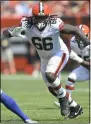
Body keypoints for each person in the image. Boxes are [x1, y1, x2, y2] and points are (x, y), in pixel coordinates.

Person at [3, 2, 89, 118]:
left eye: (43, 17)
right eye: (38, 17)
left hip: (59, 53)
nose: (40, 20)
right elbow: (6, 32)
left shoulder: (54, 24)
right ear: (33, 17)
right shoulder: (26, 24)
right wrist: (11, 32)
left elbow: (75, 30)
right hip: (44, 57)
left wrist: (87, 42)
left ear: (48, 16)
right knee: (52, 89)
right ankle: (75, 107)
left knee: (50, 75)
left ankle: (63, 98)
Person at [54, 24, 90, 118]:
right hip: (86, 68)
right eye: (77, 35)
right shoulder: (73, 41)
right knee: (71, 77)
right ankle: (67, 101)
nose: (80, 38)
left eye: (82, 36)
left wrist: (77, 59)